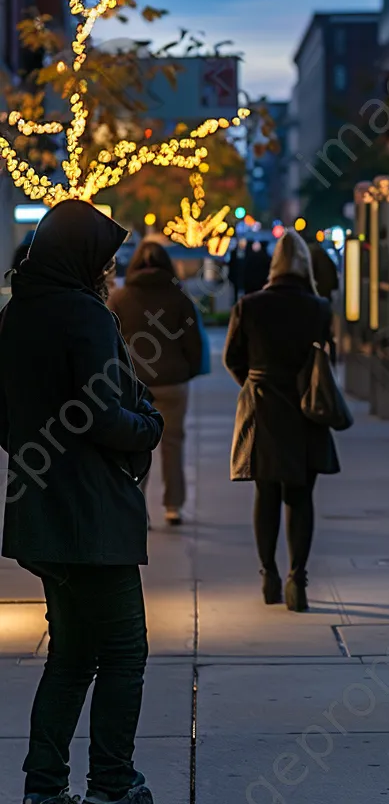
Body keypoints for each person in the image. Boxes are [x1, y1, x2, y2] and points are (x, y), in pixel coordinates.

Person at [0, 200, 164, 804]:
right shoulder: (85, 315)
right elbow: (102, 413)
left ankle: (44, 787)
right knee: (124, 653)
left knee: (71, 654)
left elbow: (6, 418)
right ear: (83, 257)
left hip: (41, 512)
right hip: (92, 517)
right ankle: (112, 784)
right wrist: (147, 428)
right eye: (106, 258)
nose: (111, 269)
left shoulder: (17, 315)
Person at [224, 230, 339, 612]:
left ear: (273, 264)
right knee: (301, 495)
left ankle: (268, 574)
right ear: (305, 265)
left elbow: (232, 357)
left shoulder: (250, 305)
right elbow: (328, 360)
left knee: (266, 493)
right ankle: (297, 579)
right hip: (305, 409)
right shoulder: (319, 308)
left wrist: (254, 383)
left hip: (263, 407)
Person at [109, 240, 205, 526]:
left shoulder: (120, 298)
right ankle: (173, 506)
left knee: (136, 444)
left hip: (134, 384)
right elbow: (194, 344)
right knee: (173, 443)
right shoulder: (179, 298)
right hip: (173, 383)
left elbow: (109, 341)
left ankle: (138, 506)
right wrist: (187, 370)